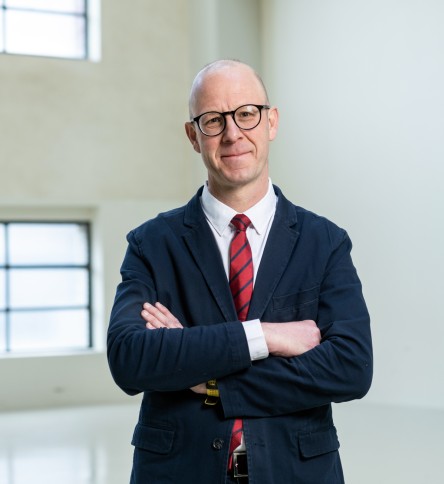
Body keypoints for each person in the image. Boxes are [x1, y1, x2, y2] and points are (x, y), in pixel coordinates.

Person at [107, 59, 373, 484]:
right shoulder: (151, 243)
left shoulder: (325, 242)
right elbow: (130, 359)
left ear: (272, 122)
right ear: (193, 136)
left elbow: (350, 368)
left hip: (296, 472)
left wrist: (210, 380)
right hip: (178, 472)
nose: (233, 133)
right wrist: (264, 336)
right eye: (214, 120)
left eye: (246, 114)